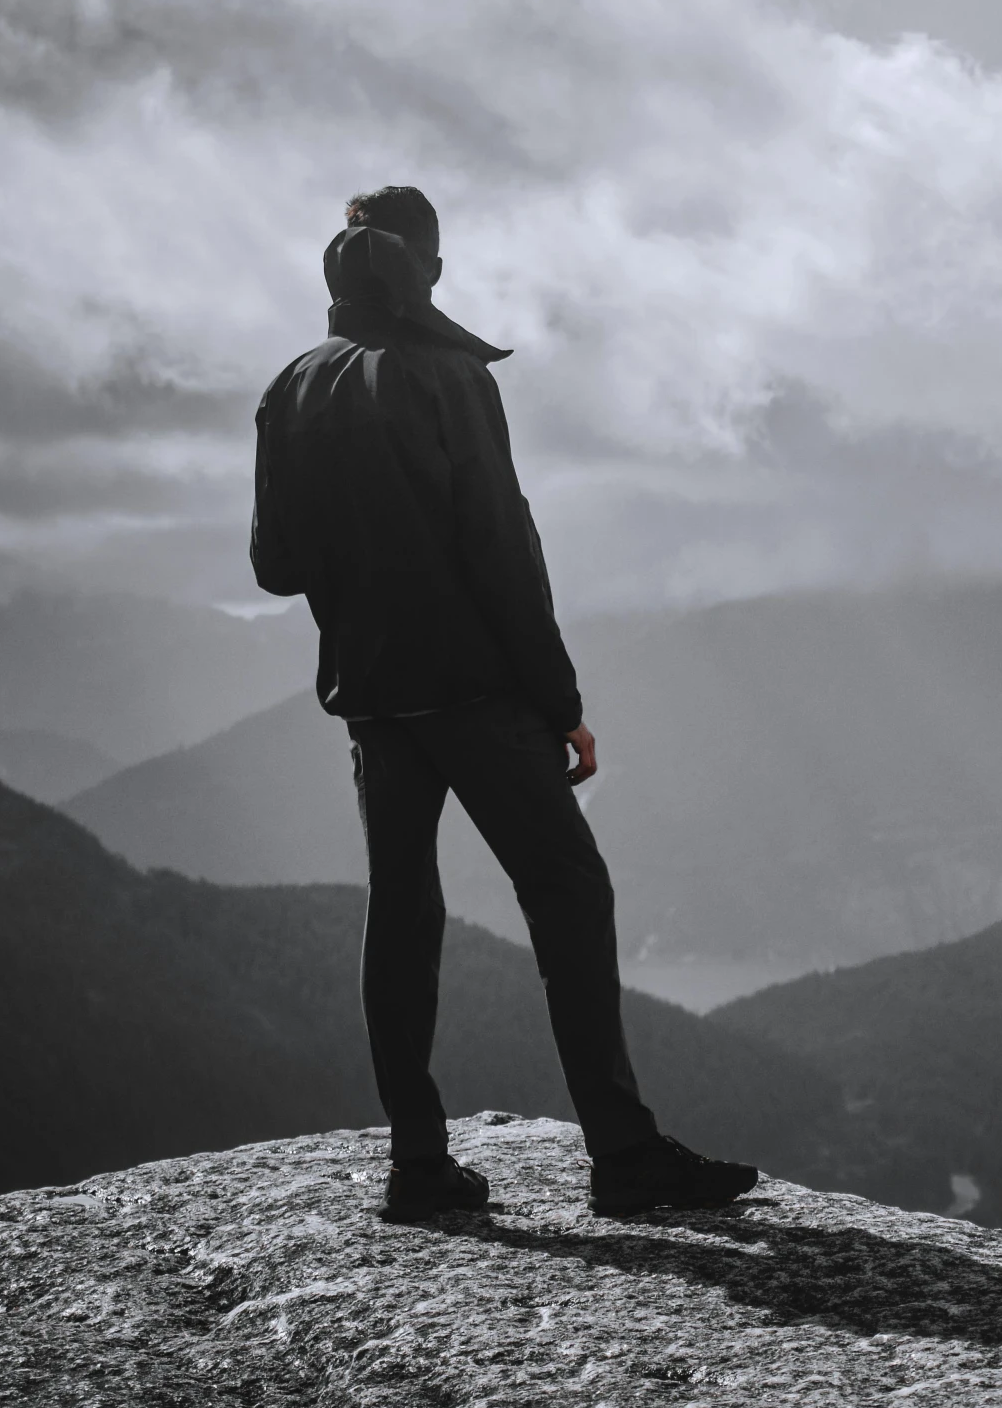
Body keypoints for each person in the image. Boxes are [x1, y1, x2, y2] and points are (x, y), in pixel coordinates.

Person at [249, 185, 757, 1223]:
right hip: (474, 690)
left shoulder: (292, 387)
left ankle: (417, 1162)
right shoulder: (447, 378)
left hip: (371, 698)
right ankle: (621, 1156)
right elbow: (500, 546)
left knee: (400, 908)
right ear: (426, 267)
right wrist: (558, 698)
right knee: (567, 889)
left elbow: (273, 563)